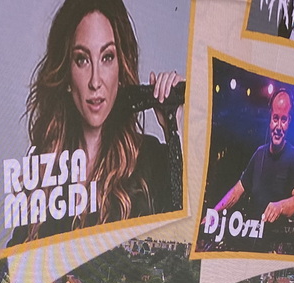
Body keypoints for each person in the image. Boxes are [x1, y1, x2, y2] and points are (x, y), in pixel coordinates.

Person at [18, 0, 183, 240]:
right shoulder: (44, 166)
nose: (95, 81)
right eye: (82, 60)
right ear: (66, 73)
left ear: (121, 66)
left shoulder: (151, 160)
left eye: (107, 57)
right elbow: (16, 254)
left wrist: (176, 128)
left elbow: (184, 242)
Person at [212, 88, 294, 229]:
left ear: (289, 122)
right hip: (253, 234)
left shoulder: (292, 154)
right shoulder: (259, 154)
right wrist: (213, 213)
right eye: (275, 118)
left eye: (283, 119)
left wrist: (280, 207)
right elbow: (236, 192)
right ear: (270, 120)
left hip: (275, 239)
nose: (279, 126)